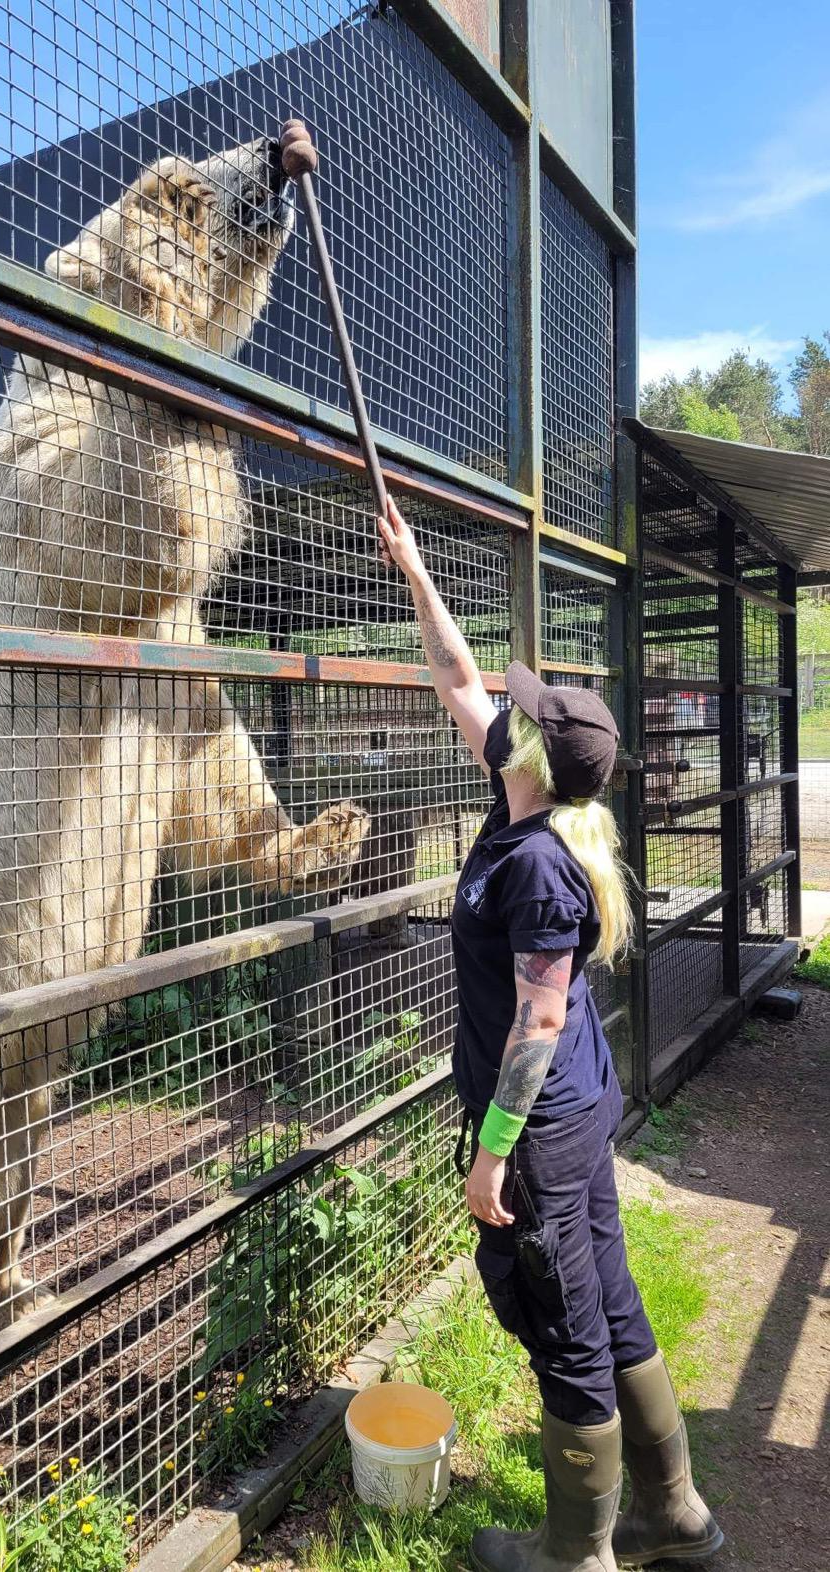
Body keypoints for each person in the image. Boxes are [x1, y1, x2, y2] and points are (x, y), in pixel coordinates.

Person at [378, 498, 722, 1572]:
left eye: (516, 713)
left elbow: (538, 1015)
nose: (500, 712)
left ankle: (578, 1557)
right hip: (578, 1114)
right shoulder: (530, 810)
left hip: (539, 1127)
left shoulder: (533, 862)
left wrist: (490, 1152)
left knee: (566, 1324)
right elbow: (457, 676)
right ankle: (675, 1517)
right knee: (608, 1300)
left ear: (528, 752)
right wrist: (414, 565)